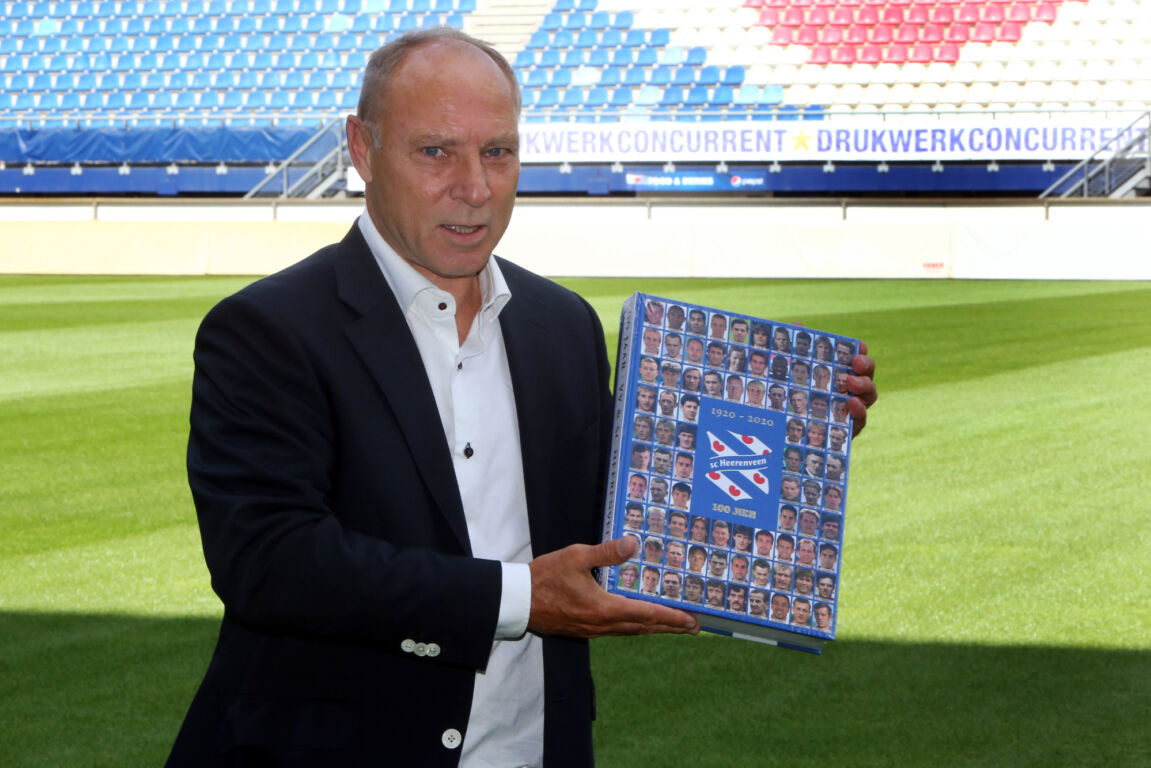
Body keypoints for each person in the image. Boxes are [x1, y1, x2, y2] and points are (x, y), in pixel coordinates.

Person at [170, 31, 877, 767]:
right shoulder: (268, 329)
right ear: (362, 149)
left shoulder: (562, 325)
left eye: (498, 152)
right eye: (435, 152)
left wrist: (790, 431)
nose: (475, 188)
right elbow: (270, 562)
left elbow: (626, 507)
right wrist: (517, 599)